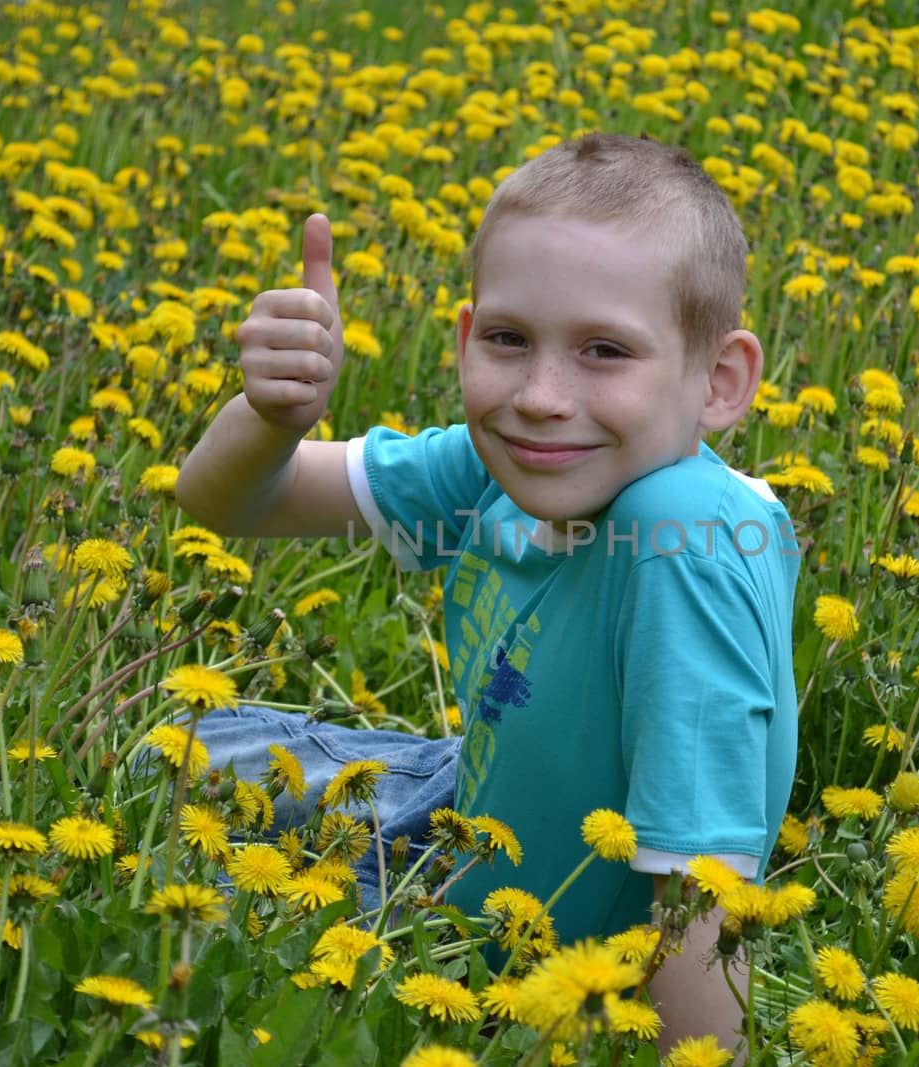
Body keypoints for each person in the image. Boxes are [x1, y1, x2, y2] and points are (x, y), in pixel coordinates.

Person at [175, 133, 799, 1054]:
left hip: (531, 957)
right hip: (463, 806)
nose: (543, 395)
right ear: (468, 339)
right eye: (510, 340)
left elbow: (699, 894)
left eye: (604, 351)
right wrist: (270, 418)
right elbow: (232, 501)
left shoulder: (686, 535)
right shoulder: (501, 464)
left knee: (191, 905)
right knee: (179, 750)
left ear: (720, 381)